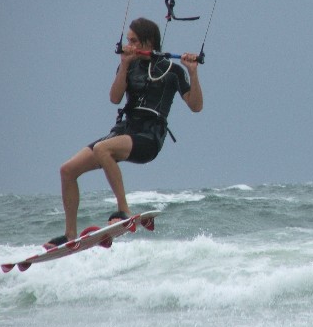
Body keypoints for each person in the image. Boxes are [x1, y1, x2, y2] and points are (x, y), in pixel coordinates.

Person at [44, 17, 203, 249]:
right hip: (125, 130)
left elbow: (196, 106)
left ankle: (124, 210)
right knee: (67, 170)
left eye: (133, 41)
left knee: (102, 149)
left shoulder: (173, 70)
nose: (128, 45)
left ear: (148, 43)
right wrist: (125, 65)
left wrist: (193, 72)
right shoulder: (128, 66)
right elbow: (114, 98)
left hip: (149, 136)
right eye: (128, 40)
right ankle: (69, 234)